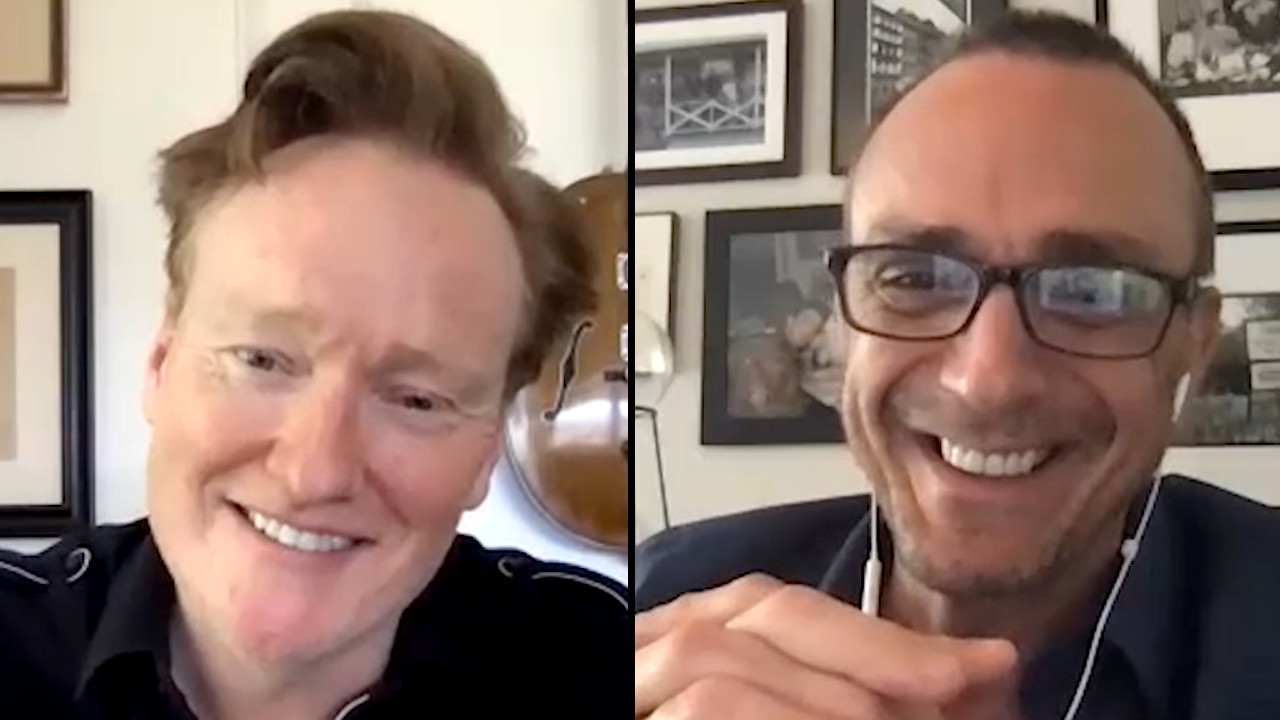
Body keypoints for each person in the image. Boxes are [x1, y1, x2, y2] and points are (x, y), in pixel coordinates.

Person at [636, 11, 1280, 720]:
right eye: (913, 278)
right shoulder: (663, 598)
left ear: (1194, 340)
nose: (987, 382)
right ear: (843, 314)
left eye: (1092, 292)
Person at [0, 9, 628, 719]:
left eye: (416, 400)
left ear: (486, 452)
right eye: (262, 360)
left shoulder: (611, 670)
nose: (315, 473)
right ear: (161, 364)